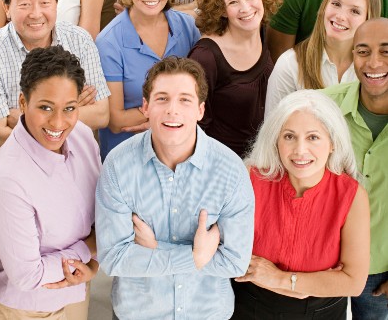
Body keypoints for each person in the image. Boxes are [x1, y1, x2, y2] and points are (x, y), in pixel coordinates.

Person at [96, 55, 255, 320]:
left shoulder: (229, 170)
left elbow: (235, 262)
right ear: (145, 106)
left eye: (184, 99)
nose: (173, 110)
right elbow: (113, 258)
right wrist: (195, 257)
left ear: (200, 110)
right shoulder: (118, 166)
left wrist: (154, 248)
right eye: (162, 98)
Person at [0, 46, 101, 319]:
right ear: (23, 103)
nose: (58, 122)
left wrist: (93, 264)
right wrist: (89, 249)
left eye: (69, 108)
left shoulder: (82, 136)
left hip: (77, 288)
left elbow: (103, 209)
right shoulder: (6, 179)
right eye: (45, 107)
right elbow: (28, 275)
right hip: (28, 307)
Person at [232, 90, 370, 319]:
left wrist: (282, 280)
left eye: (313, 137)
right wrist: (314, 282)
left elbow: (353, 282)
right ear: (276, 140)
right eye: (289, 136)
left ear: (333, 143)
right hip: (251, 307)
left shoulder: (352, 196)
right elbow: (229, 254)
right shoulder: (250, 179)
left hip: (322, 312)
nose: (300, 150)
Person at [0, 0, 110, 145]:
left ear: (56, 3)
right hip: (22, 163)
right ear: (6, 7)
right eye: (24, 4)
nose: (36, 13)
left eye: (45, 2)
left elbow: (101, 115)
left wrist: (22, 116)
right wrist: (71, 107)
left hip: (78, 153)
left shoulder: (79, 40)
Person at [96, 0, 200, 160]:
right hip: (128, 154)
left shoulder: (188, 28)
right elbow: (116, 120)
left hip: (179, 150)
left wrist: (154, 116)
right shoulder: (109, 42)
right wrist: (173, 113)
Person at [322, 18, 388, 319]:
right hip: (325, 262)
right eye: (363, 51)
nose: (373, 62)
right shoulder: (323, 109)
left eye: (386, 51)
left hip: (382, 272)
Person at [189, 0, 281, 157]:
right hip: (225, 163)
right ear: (222, 10)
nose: (246, 8)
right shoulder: (206, 57)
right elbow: (195, 129)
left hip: (265, 155)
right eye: (233, 2)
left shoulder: (262, 29)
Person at [266, 0, 381, 115]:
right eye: (336, 4)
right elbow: (273, 130)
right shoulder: (289, 64)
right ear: (324, 7)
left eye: (355, 11)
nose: (340, 16)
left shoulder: (377, 70)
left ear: (368, 20)